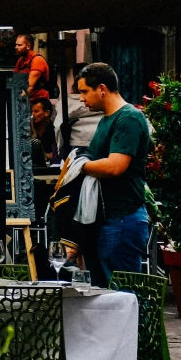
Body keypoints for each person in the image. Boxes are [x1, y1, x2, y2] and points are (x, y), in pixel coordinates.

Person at [75, 61, 152, 281]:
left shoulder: (128, 118)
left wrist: (78, 166)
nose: (81, 98)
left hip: (122, 220)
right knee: (106, 299)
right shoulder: (106, 120)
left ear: (102, 88)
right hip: (107, 219)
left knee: (124, 297)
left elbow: (115, 166)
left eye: (84, 91)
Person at [14, 32, 53, 103]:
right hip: (27, 100)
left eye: (19, 45)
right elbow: (15, 80)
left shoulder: (37, 60)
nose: (16, 47)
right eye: (16, 45)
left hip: (39, 102)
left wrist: (17, 100)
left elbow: (29, 86)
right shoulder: (20, 60)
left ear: (28, 46)